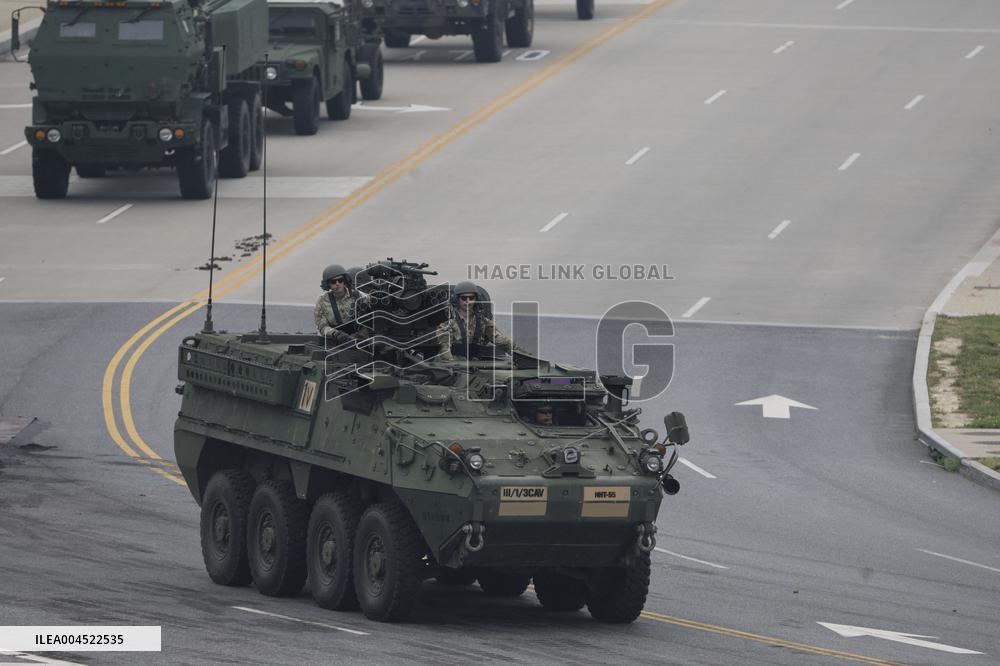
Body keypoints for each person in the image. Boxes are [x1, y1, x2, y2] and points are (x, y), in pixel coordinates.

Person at [435, 281, 523, 361]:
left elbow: (501, 340)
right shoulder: (448, 323)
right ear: (457, 299)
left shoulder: (482, 321)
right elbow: (444, 348)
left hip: (476, 364)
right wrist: (452, 364)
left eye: (471, 297)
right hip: (455, 366)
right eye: (464, 298)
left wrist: (523, 357)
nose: (468, 301)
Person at [314, 264, 367, 344]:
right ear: (328, 284)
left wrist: (359, 335)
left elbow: (371, 318)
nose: (337, 284)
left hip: (359, 341)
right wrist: (335, 333)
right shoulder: (322, 301)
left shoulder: (359, 296)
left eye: (340, 280)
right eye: (333, 282)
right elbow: (322, 326)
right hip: (335, 342)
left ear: (344, 281)